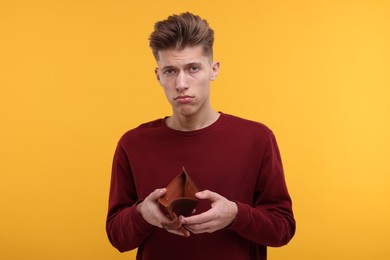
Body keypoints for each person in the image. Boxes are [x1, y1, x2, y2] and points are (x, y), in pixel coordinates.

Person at [106, 12, 295, 260]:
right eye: (170, 71)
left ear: (214, 70)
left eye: (193, 68)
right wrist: (141, 213)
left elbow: (282, 230)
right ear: (158, 76)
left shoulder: (258, 139)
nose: (181, 83)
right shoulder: (132, 144)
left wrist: (235, 214)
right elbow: (117, 237)